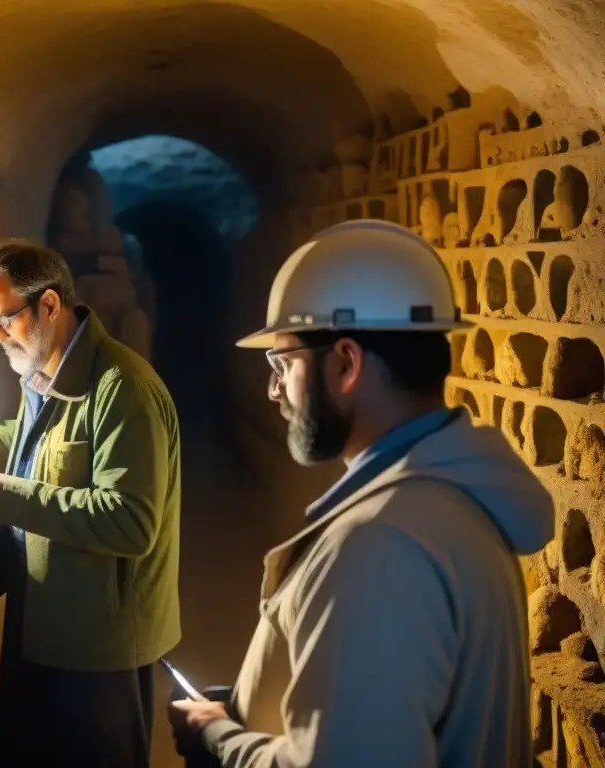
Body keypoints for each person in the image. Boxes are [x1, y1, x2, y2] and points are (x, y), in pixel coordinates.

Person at [168, 219, 553, 767]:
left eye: (284, 363)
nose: (274, 389)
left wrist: (218, 739)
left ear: (345, 364)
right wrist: (249, 708)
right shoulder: (452, 496)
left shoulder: (378, 546)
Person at [0, 243, 181, 767]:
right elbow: (45, 455)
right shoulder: (44, 373)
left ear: (48, 305)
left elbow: (130, 520)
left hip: (98, 644)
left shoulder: (122, 388)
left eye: (4, 319)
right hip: (43, 622)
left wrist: (1, 495)